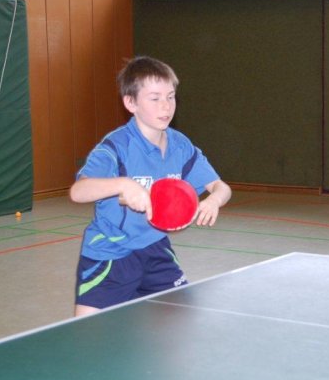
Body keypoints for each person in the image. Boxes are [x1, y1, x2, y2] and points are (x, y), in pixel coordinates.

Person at [69, 56, 232, 316]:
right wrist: (123, 184)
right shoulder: (116, 147)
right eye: (155, 98)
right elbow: (78, 192)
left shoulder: (180, 146)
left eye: (171, 97)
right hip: (110, 254)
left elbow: (221, 187)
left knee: (182, 325)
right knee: (87, 334)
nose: (166, 106)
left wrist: (214, 200)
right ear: (130, 103)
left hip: (155, 249)